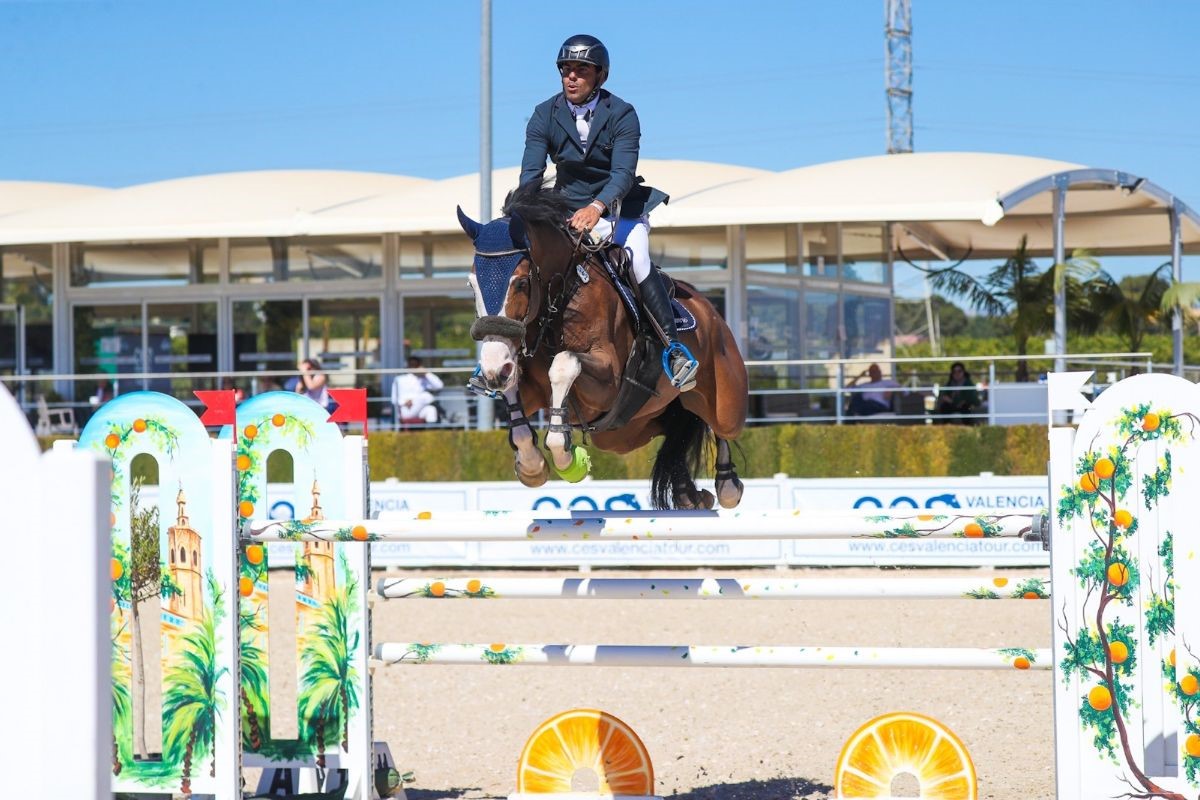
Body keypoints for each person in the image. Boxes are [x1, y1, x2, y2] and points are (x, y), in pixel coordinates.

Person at [519, 34, 698, 391]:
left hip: (618, 209)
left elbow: (622, 174)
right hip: (566, 211)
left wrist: (597, 207)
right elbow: (531, 175)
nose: (571, 76)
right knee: (526, 265)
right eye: (566, 69)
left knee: (638, 260)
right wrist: (524, 212)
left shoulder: (622, 113)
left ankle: (673, 349)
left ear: (599, 75)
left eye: (581, 70)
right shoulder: (544, 114)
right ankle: (508, 351)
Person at [391, 356, 444, 426]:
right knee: (426, 396)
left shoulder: (423, 379)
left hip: (419, 408)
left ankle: (430, 435)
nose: (413, 367)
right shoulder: (399, 379)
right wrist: (404, 402)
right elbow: (393, 399)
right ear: (407, 365)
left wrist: (426, 373)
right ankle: (443, 413)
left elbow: (439, 386)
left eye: (415, 365)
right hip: (406, 409)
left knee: (431, 410)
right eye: (411, 365)